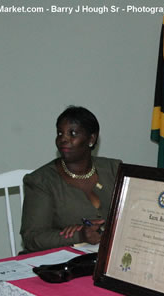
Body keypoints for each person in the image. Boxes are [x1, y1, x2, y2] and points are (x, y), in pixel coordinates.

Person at [20, 106, 121, 252]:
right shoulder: (41, 181)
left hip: (109, 255)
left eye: (72, 133)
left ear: (91, 139)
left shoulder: (114, 169)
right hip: (62, 262)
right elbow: (32, 238)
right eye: (60, 133)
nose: (63, 139)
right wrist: (79, 235)